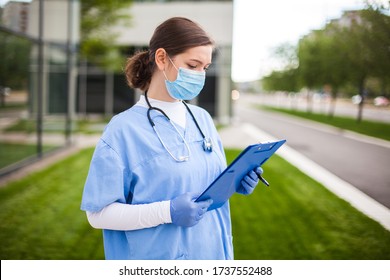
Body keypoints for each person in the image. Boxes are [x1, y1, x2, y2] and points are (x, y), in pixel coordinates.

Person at [80, 17, 262, 260]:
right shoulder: (123, 130)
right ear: (162, 58)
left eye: (205, 68)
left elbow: (204, 185)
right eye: (193, 65)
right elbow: (98, 215)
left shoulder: (203, 119)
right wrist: (167, 212)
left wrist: (235, 181)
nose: (200, 75)